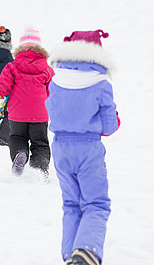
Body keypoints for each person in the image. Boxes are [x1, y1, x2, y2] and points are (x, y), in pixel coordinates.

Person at [45, 30, 120, 265]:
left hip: (60, 148)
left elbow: (51, 112)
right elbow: (109, 126)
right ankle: (86, 252)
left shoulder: (55, 81)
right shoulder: (100, 83)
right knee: (96, 204)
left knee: (71, 204)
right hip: (88, 149)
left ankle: (70, 256)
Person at [0, 28, 54, 177]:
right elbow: (54, 92)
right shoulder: (47, 69)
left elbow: (2, 90)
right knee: (40, 143)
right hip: (40, 114)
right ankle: (39, 171)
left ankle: (20, 154)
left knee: (17, 138)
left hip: (17, 113)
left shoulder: (12, 67)